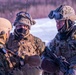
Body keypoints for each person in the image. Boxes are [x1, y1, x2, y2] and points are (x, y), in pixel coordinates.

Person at [41, 5, 76, 75]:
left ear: (69, 22)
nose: (57, 25)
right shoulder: (58, 38)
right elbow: (48, 52)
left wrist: (73, 67)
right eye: (56, 22)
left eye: (60, 22)